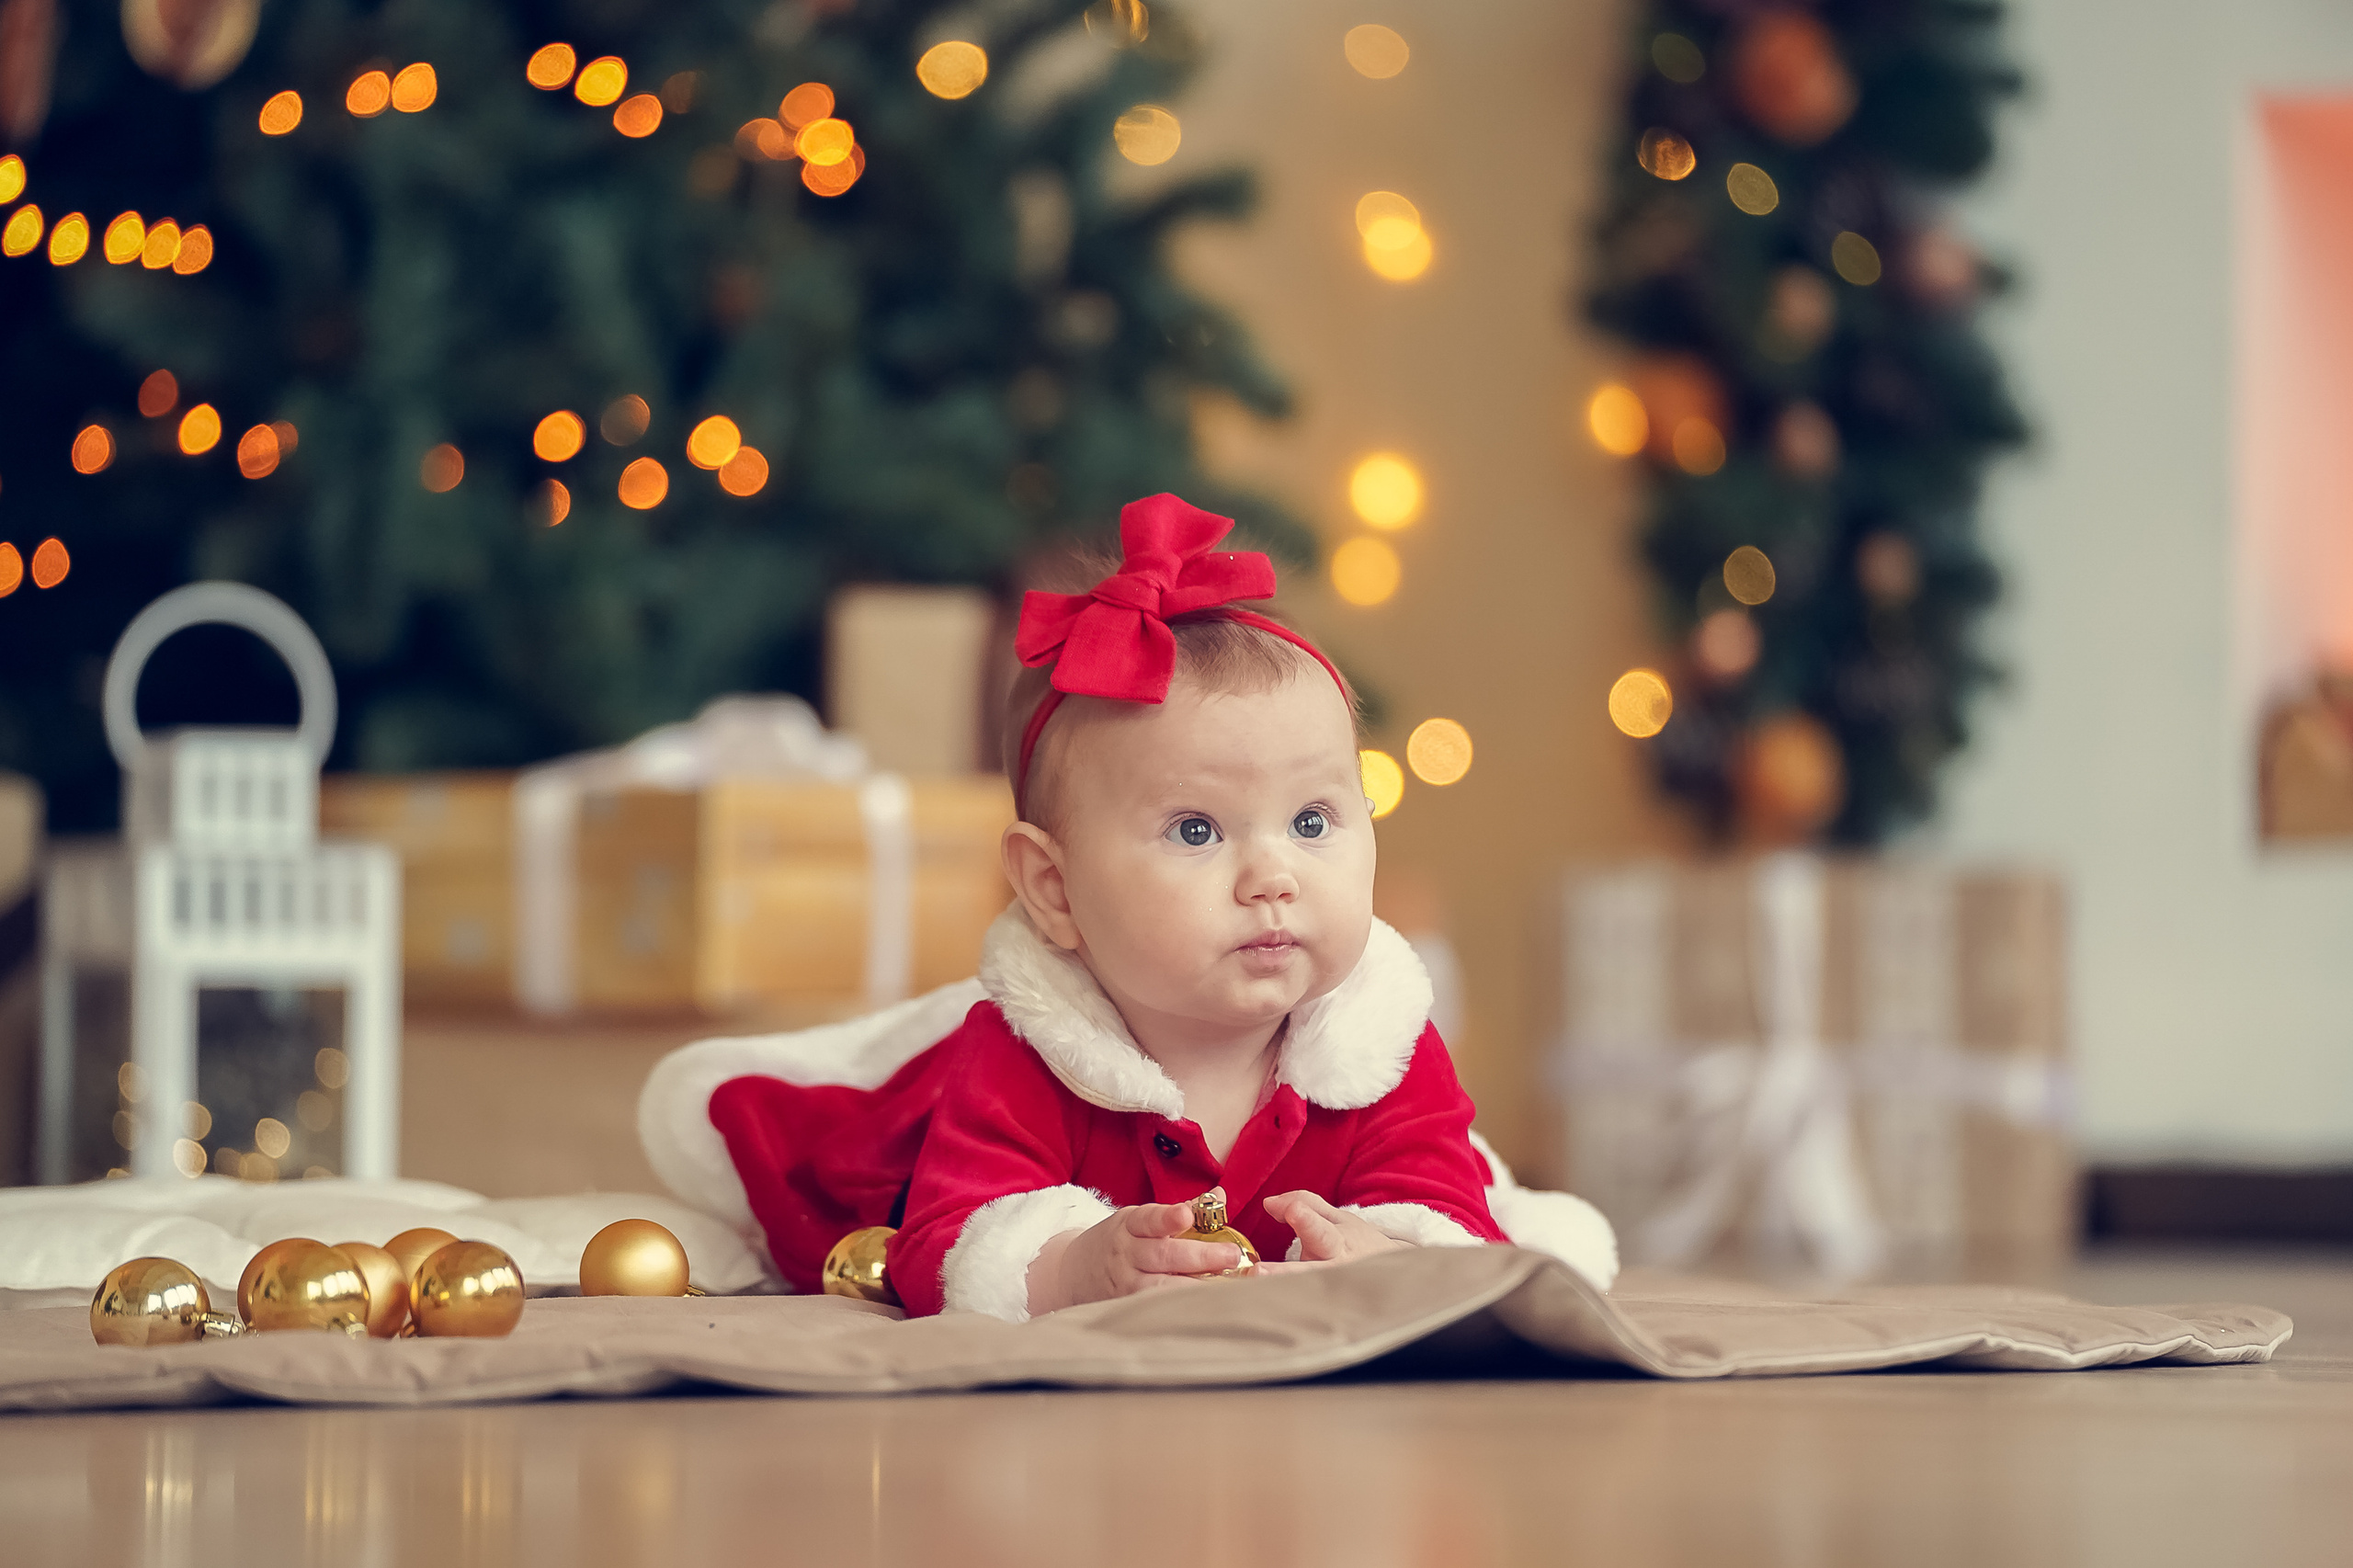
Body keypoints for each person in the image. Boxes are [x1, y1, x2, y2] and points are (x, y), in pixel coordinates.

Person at [639, 493, 1618, 1320]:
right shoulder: (1025, 1049)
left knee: (1507, 1219)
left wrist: (1396, 1257)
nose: (1272, 874)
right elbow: (951, 1235)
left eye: (1314, 820)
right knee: (827, 1176)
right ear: (1055, 889)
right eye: (1197, 830)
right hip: (901, 1140)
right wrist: (1072, 1263)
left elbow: (1435, 1198)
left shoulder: (1377, 1044)